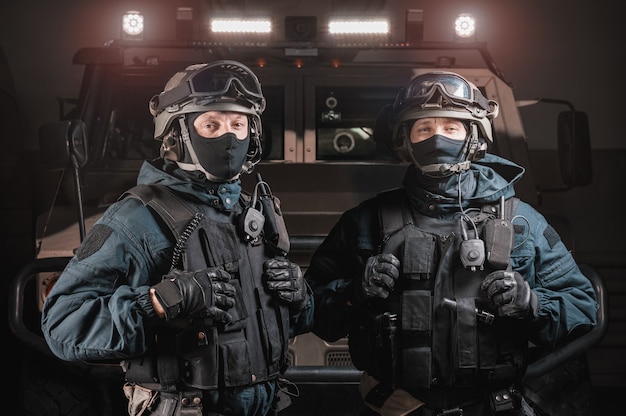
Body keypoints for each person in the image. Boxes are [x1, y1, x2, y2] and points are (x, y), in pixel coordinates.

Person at [304, 71, 598, 416]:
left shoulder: (522, 222)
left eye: (451, 127)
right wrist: (354, 292)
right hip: (398, 406)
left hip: (493, 406)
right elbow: (309, 309)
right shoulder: (366, 221)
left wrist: (530, 302)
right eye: (424, 129)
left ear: (473, 137)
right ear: (405, 140)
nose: (437, 138)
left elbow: (581, 308)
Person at [41, 60, 313, 416]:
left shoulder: (256, 213)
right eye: (211, 125)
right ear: (176, 135)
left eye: (238, 124)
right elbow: (63, 326)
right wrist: (160, 300)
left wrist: (300, 297)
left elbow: (287, 323)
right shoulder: (135, 217)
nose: (229, 137)